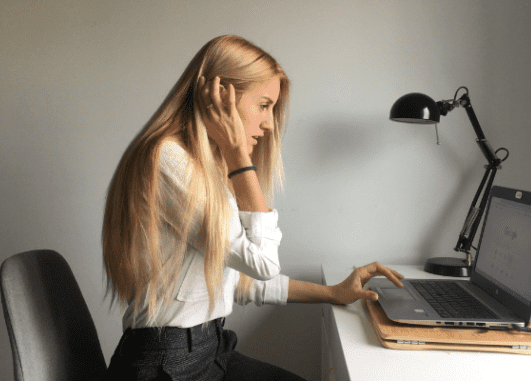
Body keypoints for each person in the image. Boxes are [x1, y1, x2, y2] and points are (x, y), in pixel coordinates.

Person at [101, 35, 404, 381]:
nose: (270, 123)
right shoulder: (168, 159)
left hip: (209, 350)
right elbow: (261, 264)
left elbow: (242, 281)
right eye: (263, 105)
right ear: (218, 97)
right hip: (165, 366)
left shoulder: (205, 168)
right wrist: (237, 155)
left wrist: (333, 293)